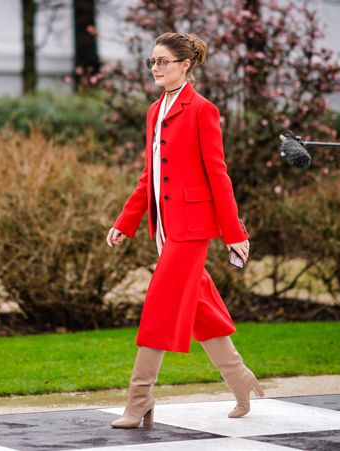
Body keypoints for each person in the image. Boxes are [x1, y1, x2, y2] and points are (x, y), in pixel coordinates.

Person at [105, 32, 264, 429]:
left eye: (162, 61)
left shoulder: (202, 110)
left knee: (159, 304)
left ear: (184, 64)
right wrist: (126, 222)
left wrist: (234, 232)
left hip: (192, 230)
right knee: (201, 308)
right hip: (164, 227)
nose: (155, 68)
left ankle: (139, 398)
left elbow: (217, 173)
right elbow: (150, 175)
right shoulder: (154, 111)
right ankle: (240, 379)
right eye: (152, 61)